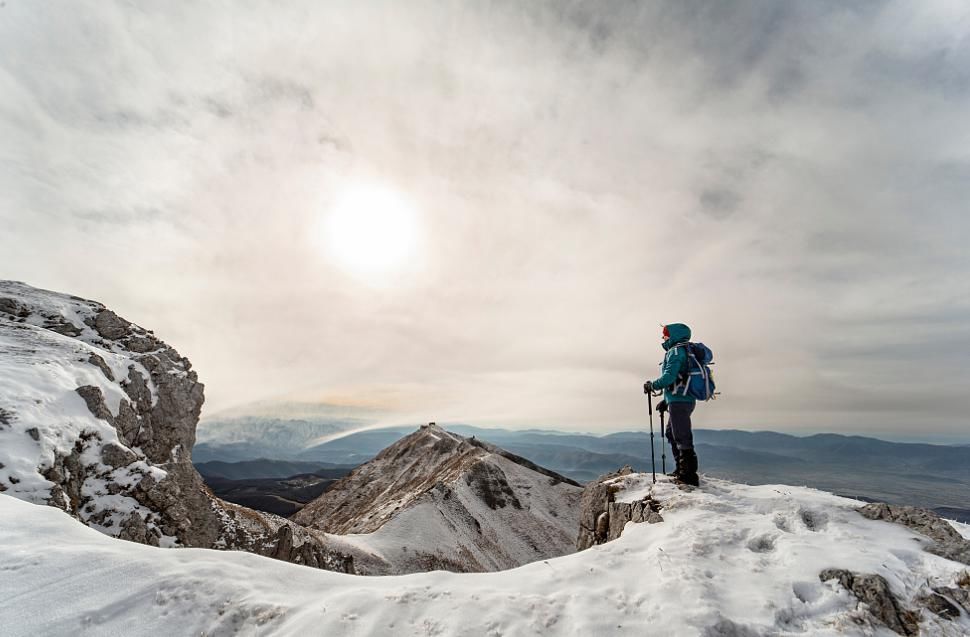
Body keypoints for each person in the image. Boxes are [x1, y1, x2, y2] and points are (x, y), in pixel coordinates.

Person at [644, 323, 699, 486]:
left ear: (673, 335)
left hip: (680, 401)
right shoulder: (680, 351)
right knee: (671, 433)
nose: (663, 337)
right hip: (679, 399)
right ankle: (681, 469)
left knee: (681, 435)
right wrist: (666, 401)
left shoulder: (675, 352)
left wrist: (651, 385)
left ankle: (688, 475)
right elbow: (677, 379)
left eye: (665, 335)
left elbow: (669, 377)